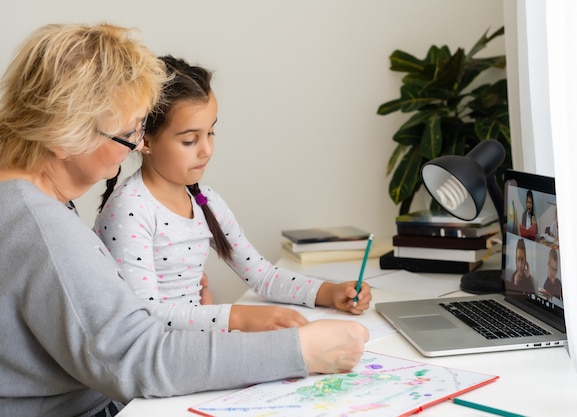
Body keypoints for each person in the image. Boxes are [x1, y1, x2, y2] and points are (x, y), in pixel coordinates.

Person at [0, 23, 368, 416]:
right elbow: (137, 358)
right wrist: (299, 350)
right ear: (63, 135)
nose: (136, 145)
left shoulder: (25, 199)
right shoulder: (42, 227)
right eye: (128, 134)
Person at [94, 56, 372, 332]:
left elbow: (261, 275)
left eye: (211, 133)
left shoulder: (205, 201)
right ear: (146, 140)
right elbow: (145, 314)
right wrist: (238, 318)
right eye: (189, 140)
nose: (206, 150)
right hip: (160, 357)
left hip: (192, 347)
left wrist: (330, 293)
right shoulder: (130, 210)